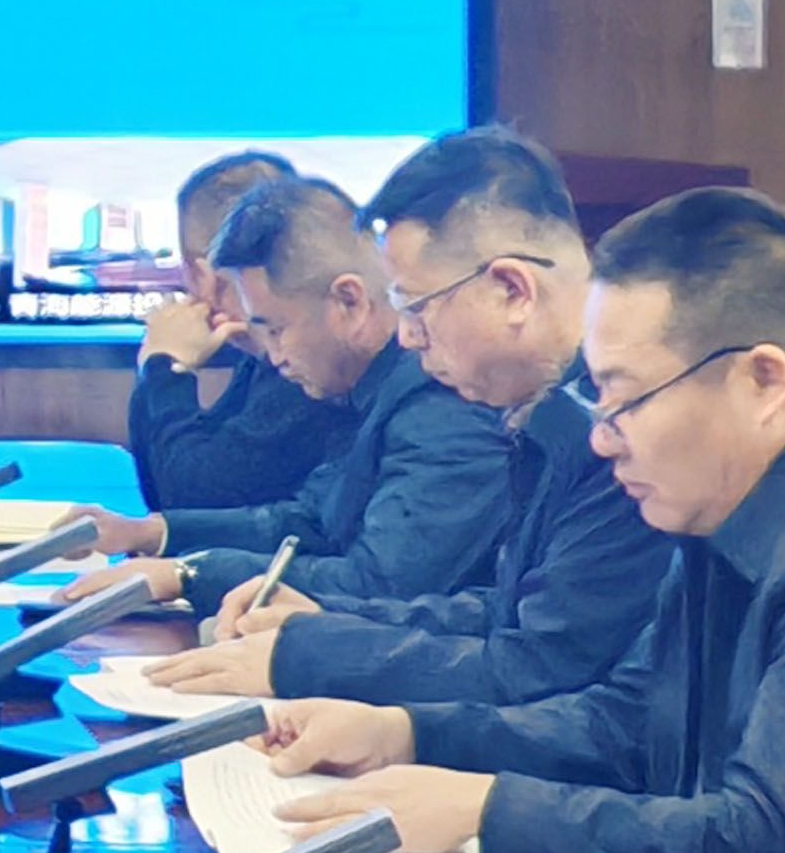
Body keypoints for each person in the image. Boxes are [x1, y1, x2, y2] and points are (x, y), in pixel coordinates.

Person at [259, 187, 785, 853]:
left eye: (624, 400)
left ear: (762, 381)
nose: (602, 440)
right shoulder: (727, 492)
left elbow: (766, 851)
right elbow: (630, 722)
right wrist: (408, 733)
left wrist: (490, 810)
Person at [137, 125, 671, 712]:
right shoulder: (550, 405)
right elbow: (507, 611)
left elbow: (541, 669)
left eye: (416, 308)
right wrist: (323, 619)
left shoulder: (620, 428)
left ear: (513, 291)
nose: (408, 339)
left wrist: (311, 656)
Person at [70, 169, 512, 611]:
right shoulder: (369, 386)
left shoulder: (439, 405)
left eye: (277, 330)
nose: (273, 355)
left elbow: (378, 583)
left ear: (349, 301)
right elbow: (312, 520)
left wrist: (187, 575)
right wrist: (153, 532)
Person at [122, 148, 348, 510]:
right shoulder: (261, 356)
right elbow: (169, 499)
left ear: (203, 277)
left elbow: (191, 499)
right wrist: (157, 370)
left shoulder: (305, 365)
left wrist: (165, 369)